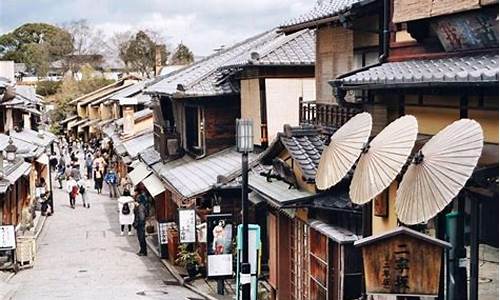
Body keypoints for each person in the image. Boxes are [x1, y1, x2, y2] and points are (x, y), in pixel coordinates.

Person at [134, 188, 148, 256]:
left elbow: (141, 217)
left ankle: (143, 251)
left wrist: (136, 224)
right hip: (140, 224)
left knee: (141, 238)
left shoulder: (140, 207)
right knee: (141, 238)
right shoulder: (141, 206)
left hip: (140, 225)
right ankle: (142, 250)